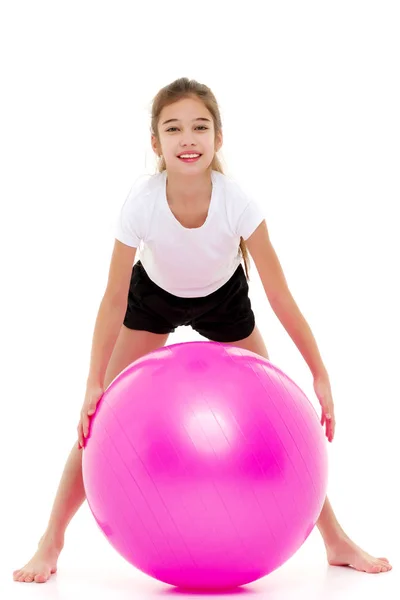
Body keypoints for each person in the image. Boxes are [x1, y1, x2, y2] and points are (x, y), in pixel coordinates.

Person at [13, 77, 392, 584]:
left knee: (277, 422)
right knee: (97, 418)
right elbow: (111, 299)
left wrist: (319, 374)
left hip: (224, 300)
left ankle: (336, 539)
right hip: (154, 298)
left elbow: (280, 295)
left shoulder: (237, 201)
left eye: (199, 127)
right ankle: (50, 540)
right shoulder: (141, 203)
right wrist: (92, 381)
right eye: (173, 129)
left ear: (217, 138)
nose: (187, 138)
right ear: (156, 144)